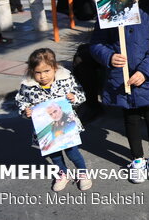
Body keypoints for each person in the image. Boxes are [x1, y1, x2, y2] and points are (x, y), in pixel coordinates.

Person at [90, 0, 149, 183]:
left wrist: (145, 71)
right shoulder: (108, 12)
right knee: (131, 120)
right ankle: (137, 158)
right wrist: (109, 56)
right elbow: (96, 43)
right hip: (122, 79)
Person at [14, 48, 91, 192]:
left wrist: (74, 97)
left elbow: (80, 93)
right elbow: (21, 101)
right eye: (38, 72)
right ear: (32, 71)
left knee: (73, 152)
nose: (42, 76)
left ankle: (83, 173)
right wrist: (26, 110)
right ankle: (63, 174)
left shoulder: (66, 79)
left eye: (47, 71)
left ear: (54, 68)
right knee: (54, 155)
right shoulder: (28, 86)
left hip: (67, 127)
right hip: (46, 131)